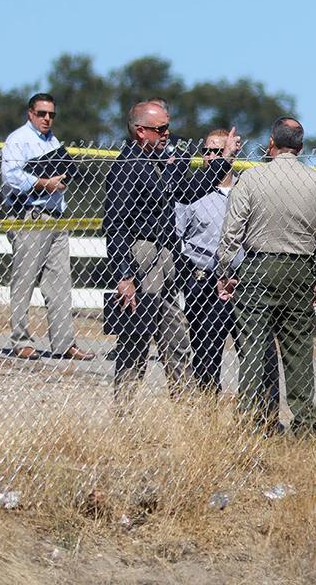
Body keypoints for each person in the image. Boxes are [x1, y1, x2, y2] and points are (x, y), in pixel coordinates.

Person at [103, 101, 239, 413]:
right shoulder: (127, 167)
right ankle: (136, 409)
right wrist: (124, 275)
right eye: (160, 129)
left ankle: (181, 409)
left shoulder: (159, 161)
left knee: (162, 333)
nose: (167, 134)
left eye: (168, 127)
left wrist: (224, 161)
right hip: (143, 254)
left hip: (165, 255)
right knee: (147, 333)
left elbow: (188, 191)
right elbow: (115, 224)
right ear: (140, 131)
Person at [217, 117, 316, 436]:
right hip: (300, 268)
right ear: (300, 147)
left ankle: (250, 417)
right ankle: (303, 421)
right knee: (299, 348)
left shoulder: (252, 179)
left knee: (252, 346)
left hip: (258, 265)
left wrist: (225, 270)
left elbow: (232, 231)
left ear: (271, 142)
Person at [175, 130, 280, 402]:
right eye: (208, 151)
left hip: (244, 281)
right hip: (204, 281)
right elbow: (178, 239)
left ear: (232, 155)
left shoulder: (248, 190)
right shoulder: (191, 194)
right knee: (206, 351)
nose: (212, 156)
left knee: (259, 349)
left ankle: (264, 410)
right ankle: (207, 409)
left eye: (219, 150)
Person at [0, 93, 94, 361]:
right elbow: (12, 177)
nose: (47, 118)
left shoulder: (52, 141)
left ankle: (65, 343)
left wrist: (60, 181)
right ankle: (21, 340)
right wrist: (43, 183)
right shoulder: (18, 140)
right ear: (30, 113)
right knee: (24, 280)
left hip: (56, 216)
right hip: (30, 215)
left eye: (51, 114)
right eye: (42, 113)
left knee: (60, 283)